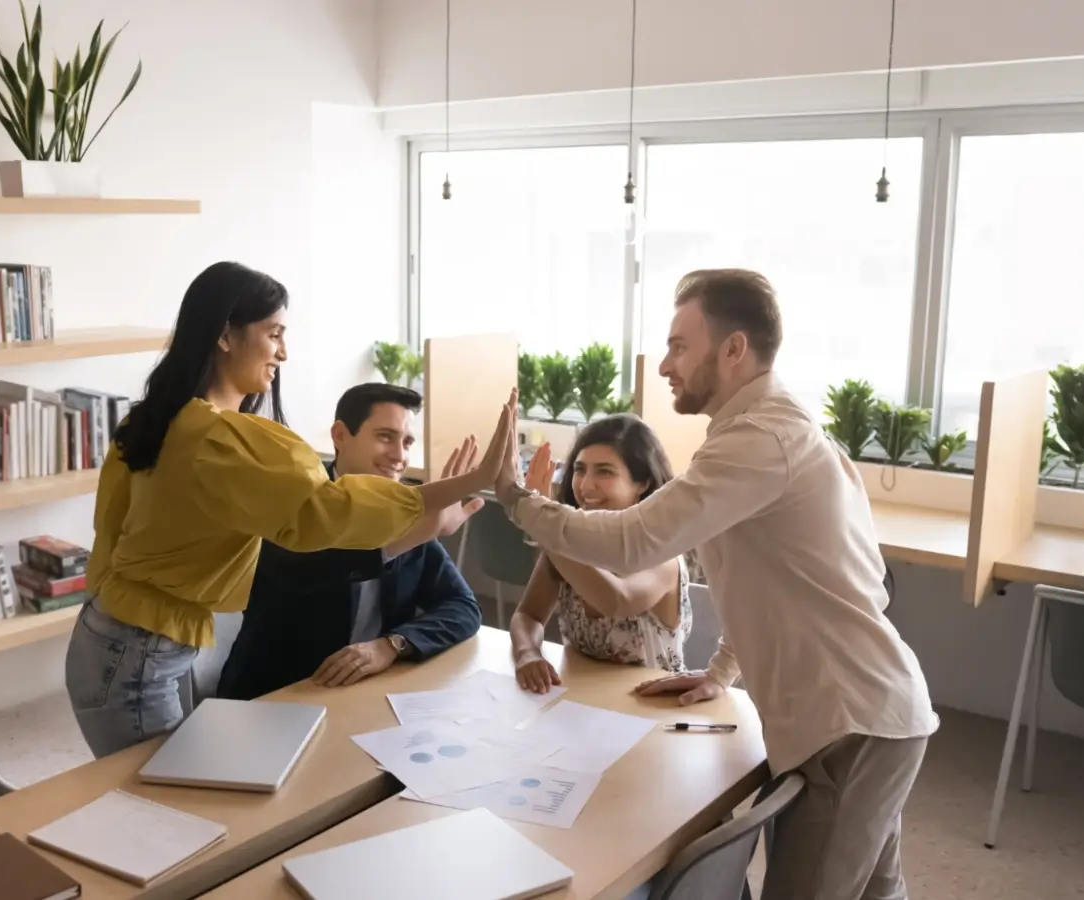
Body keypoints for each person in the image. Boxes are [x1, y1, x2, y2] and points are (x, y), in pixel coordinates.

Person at [491, 269, 938, 900]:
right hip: (865, 716)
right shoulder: (774, 429)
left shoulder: (762, 439)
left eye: (679, 345)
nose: (667, 364)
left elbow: (631, 542)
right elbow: (790, 579)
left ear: (733, 350)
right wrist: (723, 670)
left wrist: (516, 499)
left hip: (847, 724)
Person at [67, 261, 511, 759]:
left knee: (166, 800)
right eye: (274, 333)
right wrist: (452, 492)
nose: (284, 351)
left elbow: (109, 528)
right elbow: (323, 511)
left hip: (116, 636)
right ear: (225, 336)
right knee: (162, 808)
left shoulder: (166, 421)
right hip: (136, 656)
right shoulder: (220, 439)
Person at [217, 383, 482, 700]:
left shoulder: (406, 510)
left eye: (407, 442)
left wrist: (391, 645)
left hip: (364, 692)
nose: (399, 456)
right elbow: (308, 573)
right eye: (385, 437)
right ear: (340, 435)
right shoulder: (294, 503)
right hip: (278, 695)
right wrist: (410, 534)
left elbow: (463, 607)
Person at [507, 414, 692, 694]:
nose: (585, 485)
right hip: (583, 701)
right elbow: (527, 615)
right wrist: (528, 653)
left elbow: (617, 601)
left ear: (641, 483)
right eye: (580, 470)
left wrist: (546, 526)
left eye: (604, 471)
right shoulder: (564, 541)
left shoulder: (662, 552)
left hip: (654, 711)